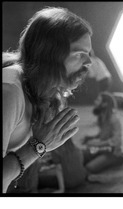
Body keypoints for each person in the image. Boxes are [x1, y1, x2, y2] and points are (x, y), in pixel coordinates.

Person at [2, 7, 93, 193]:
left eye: (88, 54)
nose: (88, 63)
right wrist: (38, 146)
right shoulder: (9, 90)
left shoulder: (43, 88)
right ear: (50, 54)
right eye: (79, 54)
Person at [82, 92, 123, 173]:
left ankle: (116, 160)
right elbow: (103, 135)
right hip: (101, 150)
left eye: (98, 100)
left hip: (113, 153)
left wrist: (96, 144)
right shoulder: (102, 117)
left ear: (104, 104)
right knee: (79, 157)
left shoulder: (114, 119)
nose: (95, 102)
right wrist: (91, 138)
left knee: (90, 167)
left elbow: (116, 141)